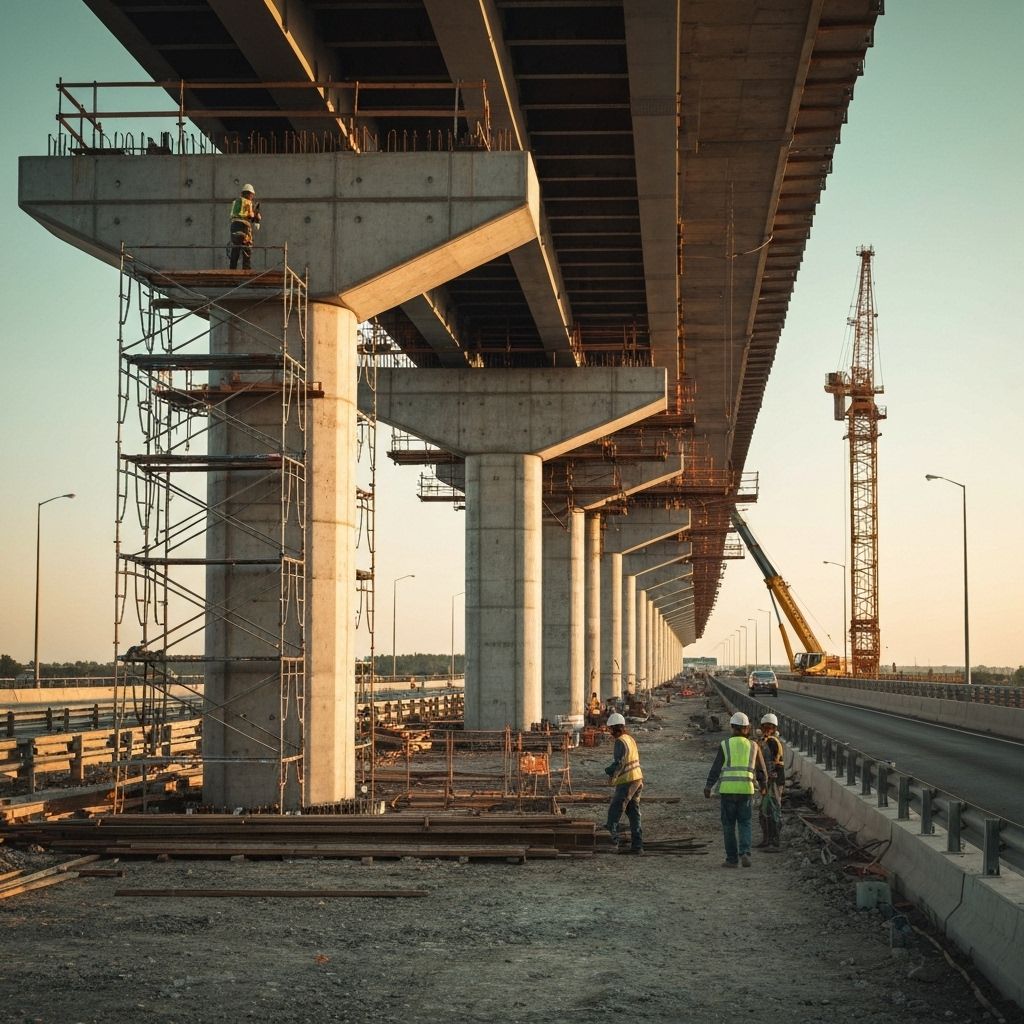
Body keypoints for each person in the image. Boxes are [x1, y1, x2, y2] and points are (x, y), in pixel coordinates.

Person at [703, 711, 767, 868]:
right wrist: (764, 786)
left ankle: (732, 859)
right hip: (746, 789)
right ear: (747, 728)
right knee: (745, 823)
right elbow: (761, 770)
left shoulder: (725, 745)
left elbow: (716, 767)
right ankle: (744, 852)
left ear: (732, 727)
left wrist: (708, 785)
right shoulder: (754, 746)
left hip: (727, 790)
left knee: (728, 825)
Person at [604, 711, 643, 854]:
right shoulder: (630, 738)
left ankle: (611, 841)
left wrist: (610, 772)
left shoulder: (620, 741)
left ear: (615, 728)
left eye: (610, 729)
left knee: (615, 811)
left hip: (627, 781)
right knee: (633, 813)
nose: (610, 732)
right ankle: (637, 846)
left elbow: (619, 763)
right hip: (637, 779)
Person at [756, 712, 785, 850]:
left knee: (773, 811)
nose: (767, 729)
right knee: (764, 811)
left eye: (770, 727)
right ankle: (767, 839)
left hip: (774, 781)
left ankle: (775, 842)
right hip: (768, 781)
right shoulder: (764, 741)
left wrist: (769, 780)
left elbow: (773, 764)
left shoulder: (772, 742)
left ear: (774, 728)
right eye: (765, 726)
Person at [229, 183, 261, 270]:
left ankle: (232, 270)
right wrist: (256, 219)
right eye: (251, 195)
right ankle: (246, 271)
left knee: (235, 248)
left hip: (234, 226)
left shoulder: (235, 202)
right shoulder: (247, 202)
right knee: (247, 248)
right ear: (249, 194)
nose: (251, 197)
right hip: (243, 226)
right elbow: (250, 215)